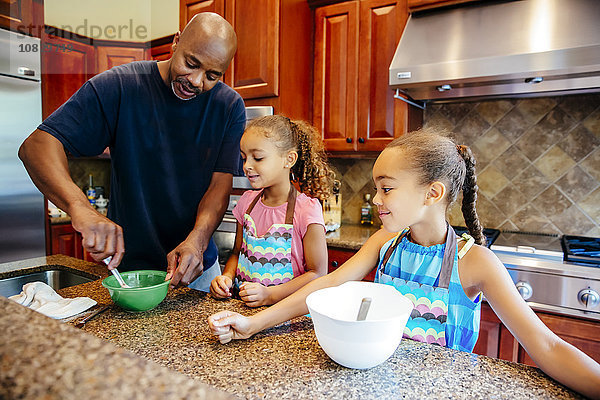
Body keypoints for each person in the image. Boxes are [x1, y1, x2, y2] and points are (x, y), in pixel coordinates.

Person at [208, 129, 600, 398]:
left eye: (386, 188)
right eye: (377, 188)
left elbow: (546, 345)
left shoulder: (476, 263)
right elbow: (326, 285)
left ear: (432, 192)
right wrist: (254, 323)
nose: (376, 199)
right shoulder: (385, 242)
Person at [18, 13, 246, 291]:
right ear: (176, 42)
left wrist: (198, 240)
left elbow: (219, 186)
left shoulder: (229, 106)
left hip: (196, 270)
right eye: (191, 63)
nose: (196, 81)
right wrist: (81, 208)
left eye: (212, 75)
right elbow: (36, 146)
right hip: (129, 272)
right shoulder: (121, 86)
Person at [210, 115, 332, 307]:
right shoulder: (246, 203)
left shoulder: (306, 210)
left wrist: (270, 295)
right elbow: (236, 253)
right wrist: (226, 277)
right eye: (244, 158)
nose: (247, 166)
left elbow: (317, 274)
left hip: (287, 316)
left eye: (258, 157)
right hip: (244, 311)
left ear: (289, 159)